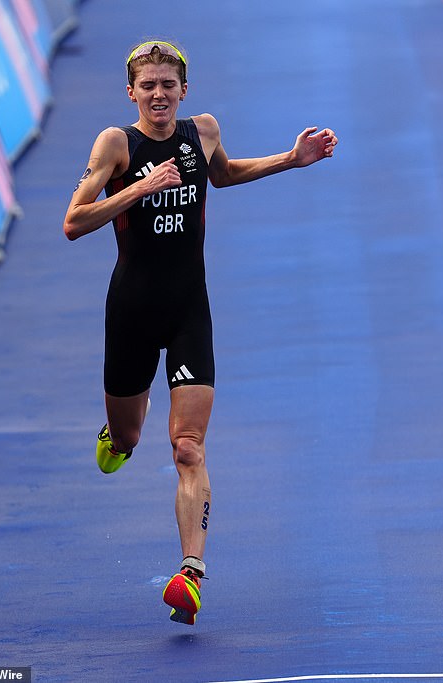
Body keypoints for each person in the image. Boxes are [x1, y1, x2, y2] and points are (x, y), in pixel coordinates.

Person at [63, 39, 338, 626]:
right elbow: (73, 222)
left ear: (184, 90)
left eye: (169, 84)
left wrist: (290, 159)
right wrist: (137, 188)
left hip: (191, 310)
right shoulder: (116, 144)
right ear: (131, 92)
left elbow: (225, 174)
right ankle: (115, 435)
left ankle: (190, 573)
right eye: (148, 85)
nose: (159, 94)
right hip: (132, 312)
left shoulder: (203, 131)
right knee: (130, 438)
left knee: (188, 445)